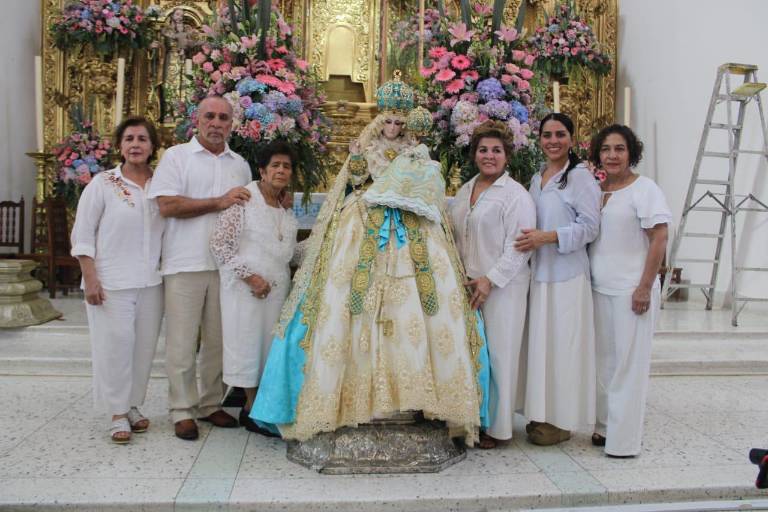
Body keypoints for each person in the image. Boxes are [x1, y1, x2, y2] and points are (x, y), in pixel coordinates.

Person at [250, 73, 490, 444]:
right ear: (380, 119)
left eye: (399, 121)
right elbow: (355, 180)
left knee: (417, 305)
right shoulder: (366, 144)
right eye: (388, 120)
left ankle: (413, 395)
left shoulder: (416, 151)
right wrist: (358, 161)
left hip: (412, 230)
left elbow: (427, 188)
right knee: (348, 301)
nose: (393, 127)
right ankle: (352, 399)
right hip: (363, 222)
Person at [148, 95, 252, 440]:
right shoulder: (177, 157)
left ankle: (210, 403)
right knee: (181, 342)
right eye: (210, 116)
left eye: (224, 117)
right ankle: (181, 409)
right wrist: (217, 202)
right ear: (198, 119)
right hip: (185, 262)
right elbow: (167, 204)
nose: (217, 123)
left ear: (232, 123)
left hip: (225, 268)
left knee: (219, 341)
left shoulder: (240, 164)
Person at [71, 116, 164, 444]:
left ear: (152, 146)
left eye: (142, 139)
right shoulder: (103, 184)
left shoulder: (162, 185)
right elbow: (82, 234)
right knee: (116, 347)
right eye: (129, 139)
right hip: (110, 283)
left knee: (143, 348)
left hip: (151, 283)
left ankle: (132, 405)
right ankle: (115, 413)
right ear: (120, 146)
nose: (136, 144)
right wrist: (91, 279)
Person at [515, 112, 601, 446]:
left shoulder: (580, 177)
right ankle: (541, 412)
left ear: (572, 138)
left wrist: (548, 237)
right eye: (547, 135)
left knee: (564, 349)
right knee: (542, 347)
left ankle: (562, 420)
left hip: (567, 275)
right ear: (539, 139)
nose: (553, 141)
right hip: (540, 275)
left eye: (560, 134)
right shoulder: (539, 177)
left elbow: (591, 227)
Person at [450, 120, 537, 449]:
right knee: (475, 355)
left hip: (503, 287)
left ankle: (498, 428)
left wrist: (490, 280)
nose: (489, 156)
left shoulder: (516, 196)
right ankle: (473, 419)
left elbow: (520, 247)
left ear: (507, 156)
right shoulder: (465, 189)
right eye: (483, 150)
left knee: (500, 355)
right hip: (469, 284)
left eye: (496, 151)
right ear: (474, 154)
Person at [587, 124, 670, 457]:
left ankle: (624, 442)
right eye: (606, 149)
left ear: (631, 152)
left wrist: (644, 287)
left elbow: (659, 237)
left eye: (619, 149)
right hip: (598, 288)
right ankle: (605, 427)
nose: (612, 155)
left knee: (629, 366)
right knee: (604, 363)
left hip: (631, 290)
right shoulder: (597, 190)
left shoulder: (644, 189)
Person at [210, 141, 299, 434]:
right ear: (262, 170)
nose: (281, 170)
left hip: (277, 290)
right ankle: (250, 409)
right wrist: (250, 277)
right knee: (248, 346)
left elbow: (289, 251)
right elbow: (220, 245)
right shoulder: (244, 201)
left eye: (286, 166)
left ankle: (264, 408)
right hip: (246, 290)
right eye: (275, 165)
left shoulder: (285, 209)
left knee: (270, 349)